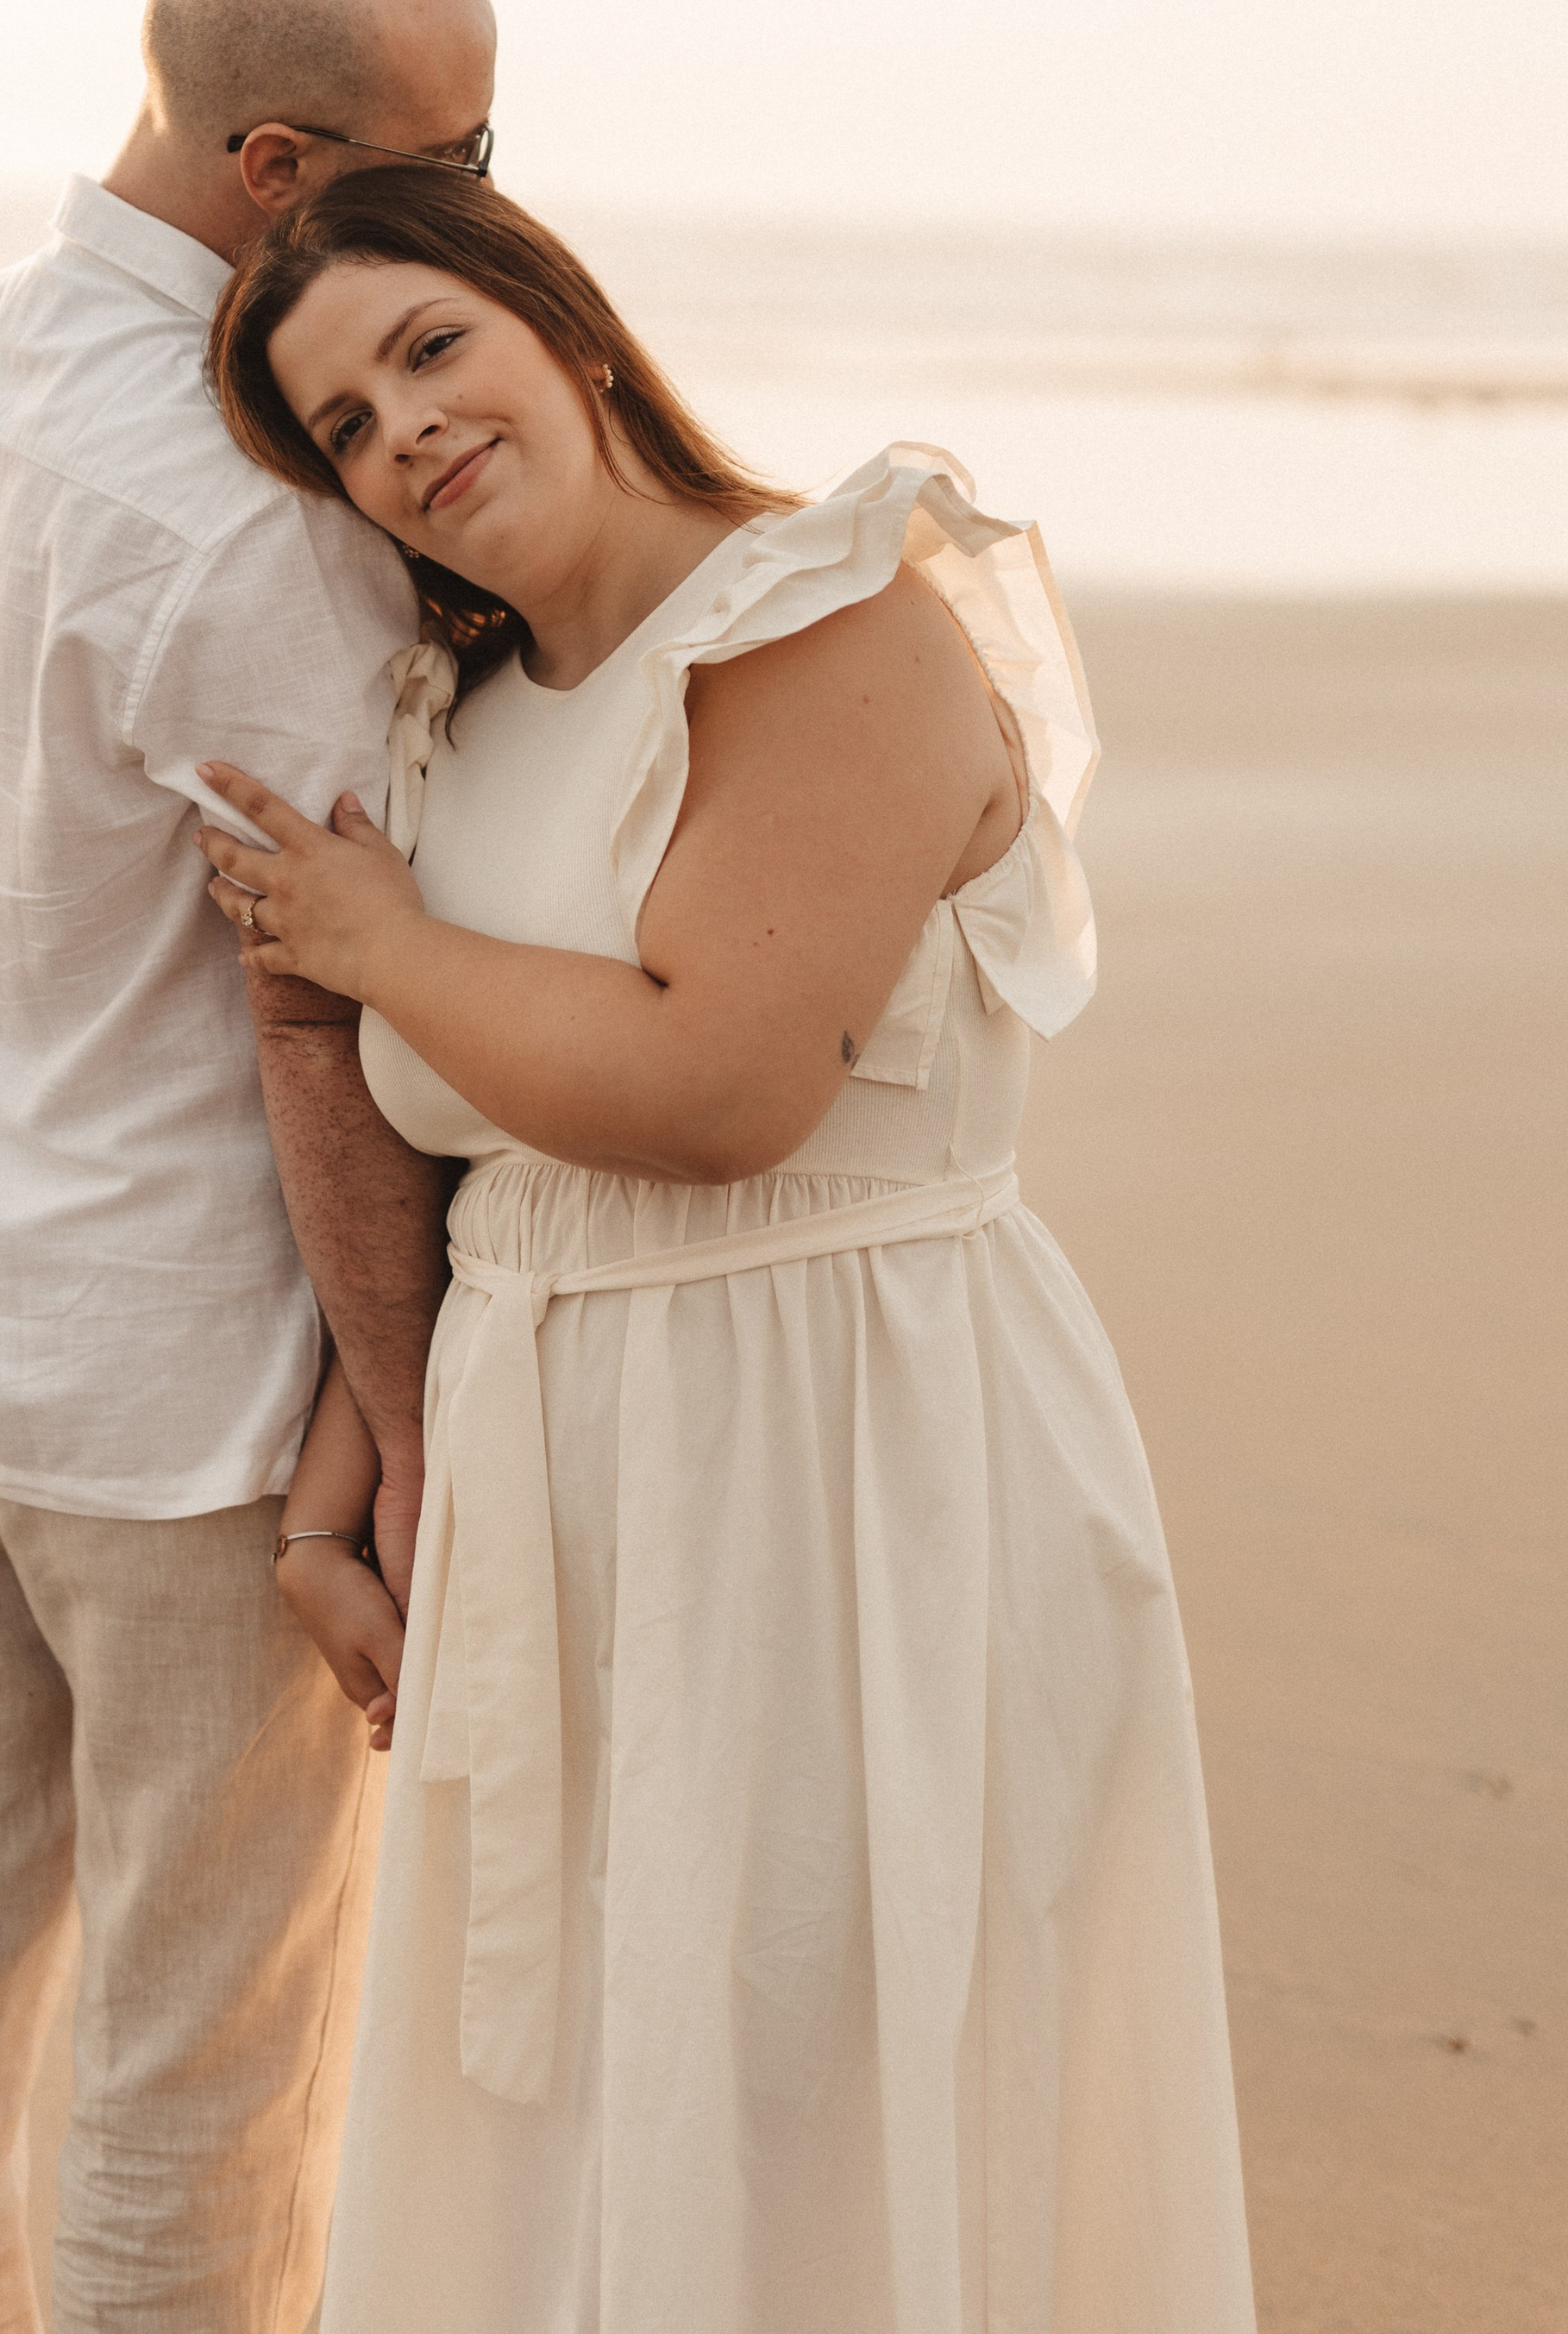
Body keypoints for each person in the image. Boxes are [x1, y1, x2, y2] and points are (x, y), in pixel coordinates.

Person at [194, 168, 1258, 2334]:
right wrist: (342, 1482)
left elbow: (710, 1092)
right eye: (340, 426)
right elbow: (501, 1165)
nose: (399, 433)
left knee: (823, 2101)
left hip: (844, 1461)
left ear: (565, 332)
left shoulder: (829, 621)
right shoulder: (458, 725)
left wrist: (385, 943)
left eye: (428, 350)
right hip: (559, 1475)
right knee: (590, 2115)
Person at [0, 0, 494, 2333]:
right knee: (196, 2079)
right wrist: (403, 1431)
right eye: (462, 148)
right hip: (174, 1400)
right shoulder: (263, 518)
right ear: (288, 163)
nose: (498, 195)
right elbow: (319, 1017)